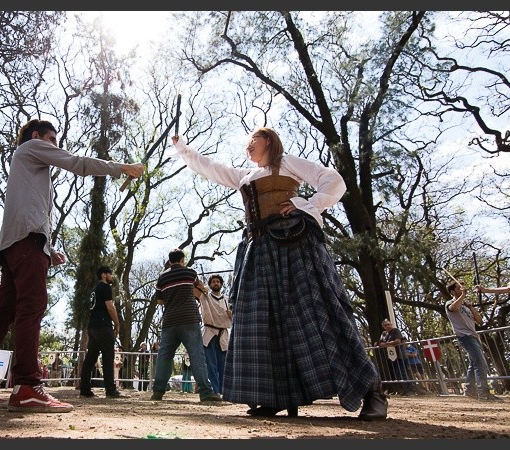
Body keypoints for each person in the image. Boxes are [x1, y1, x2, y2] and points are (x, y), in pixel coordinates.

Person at [170, 129, 387, 420]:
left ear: (268, 141)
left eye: (253, 141)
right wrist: (183, 148)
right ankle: (276, 395)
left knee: (319, 312)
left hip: (294, 243)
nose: (248, 146)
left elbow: (333, 181)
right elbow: (211, 168)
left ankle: (371, 391)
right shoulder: (244, 176)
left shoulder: (287, 163)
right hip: (259, 250)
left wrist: (306, 204)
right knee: (262, 321)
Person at [0, 119, 144, 412]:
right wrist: (120, 168)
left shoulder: (26, 167)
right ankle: (27, 385)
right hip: (26, 241)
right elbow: (77, 162)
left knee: (2, 313)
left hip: (17, 243)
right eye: (52, 139)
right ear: (37, 136)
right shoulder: (32, 147)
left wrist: (47, 248)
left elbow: (28, 208)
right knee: (32, 306)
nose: (54, 145)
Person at [149, 248, 223, 403]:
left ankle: (158, 391)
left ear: (169, 261)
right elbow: (202, 287)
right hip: (189, 319)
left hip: (170, 320)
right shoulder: (190, 273)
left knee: (164, 356)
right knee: (197, 355)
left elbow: (160, 300)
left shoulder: (162, 277)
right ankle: (205, 392)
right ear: (182, 259)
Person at [445, 281, 500, 401]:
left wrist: (471, 308)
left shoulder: (465, 306)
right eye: (459, 288)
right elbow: (453, 308)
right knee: (480, 363)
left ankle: (469, 390)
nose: (462, 288)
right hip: (465, 336)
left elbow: (479, 320)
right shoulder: (450, 303)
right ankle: (483, 392)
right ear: (453, 291)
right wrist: (462, 296)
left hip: (474, 336)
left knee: (474, 363)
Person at [79, 266, 125, 398]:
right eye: (110, 274)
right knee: (108, 357)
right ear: (104, 275)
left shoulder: (94, 289)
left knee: (90, 358)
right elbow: (110, 307)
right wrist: (116, 323)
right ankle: (110, 390)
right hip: (103, 326)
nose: (112, 276)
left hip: (93, 326)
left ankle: (85, 389)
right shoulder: (105, 287)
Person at [197, 274, 232, 395]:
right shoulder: (204, 295)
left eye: (218, 281)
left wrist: (230, 314)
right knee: (211, 365)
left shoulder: (227, 299)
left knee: (223, 366)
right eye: (213, 282)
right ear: (210, 284)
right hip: (209, 333)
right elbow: (196, 285)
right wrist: (202, 287)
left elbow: (233, 317)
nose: (216, 283)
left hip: (223, 335)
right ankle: (214, 391)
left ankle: (224, 391)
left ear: (221, 284)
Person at [375, 319, 416, 396]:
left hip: (400, 355)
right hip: (391, 356)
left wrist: (386, 344)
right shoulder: (384, 334)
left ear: (391, 324)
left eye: (388, 324)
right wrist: (378, 344)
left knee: (403, 372)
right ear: (383, 327)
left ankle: (410, 389)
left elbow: (398, 341)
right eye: (385, 325)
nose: (387, 326)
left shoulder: (396, 331)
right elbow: (380, 342)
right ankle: (403, 389)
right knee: (397, 374)